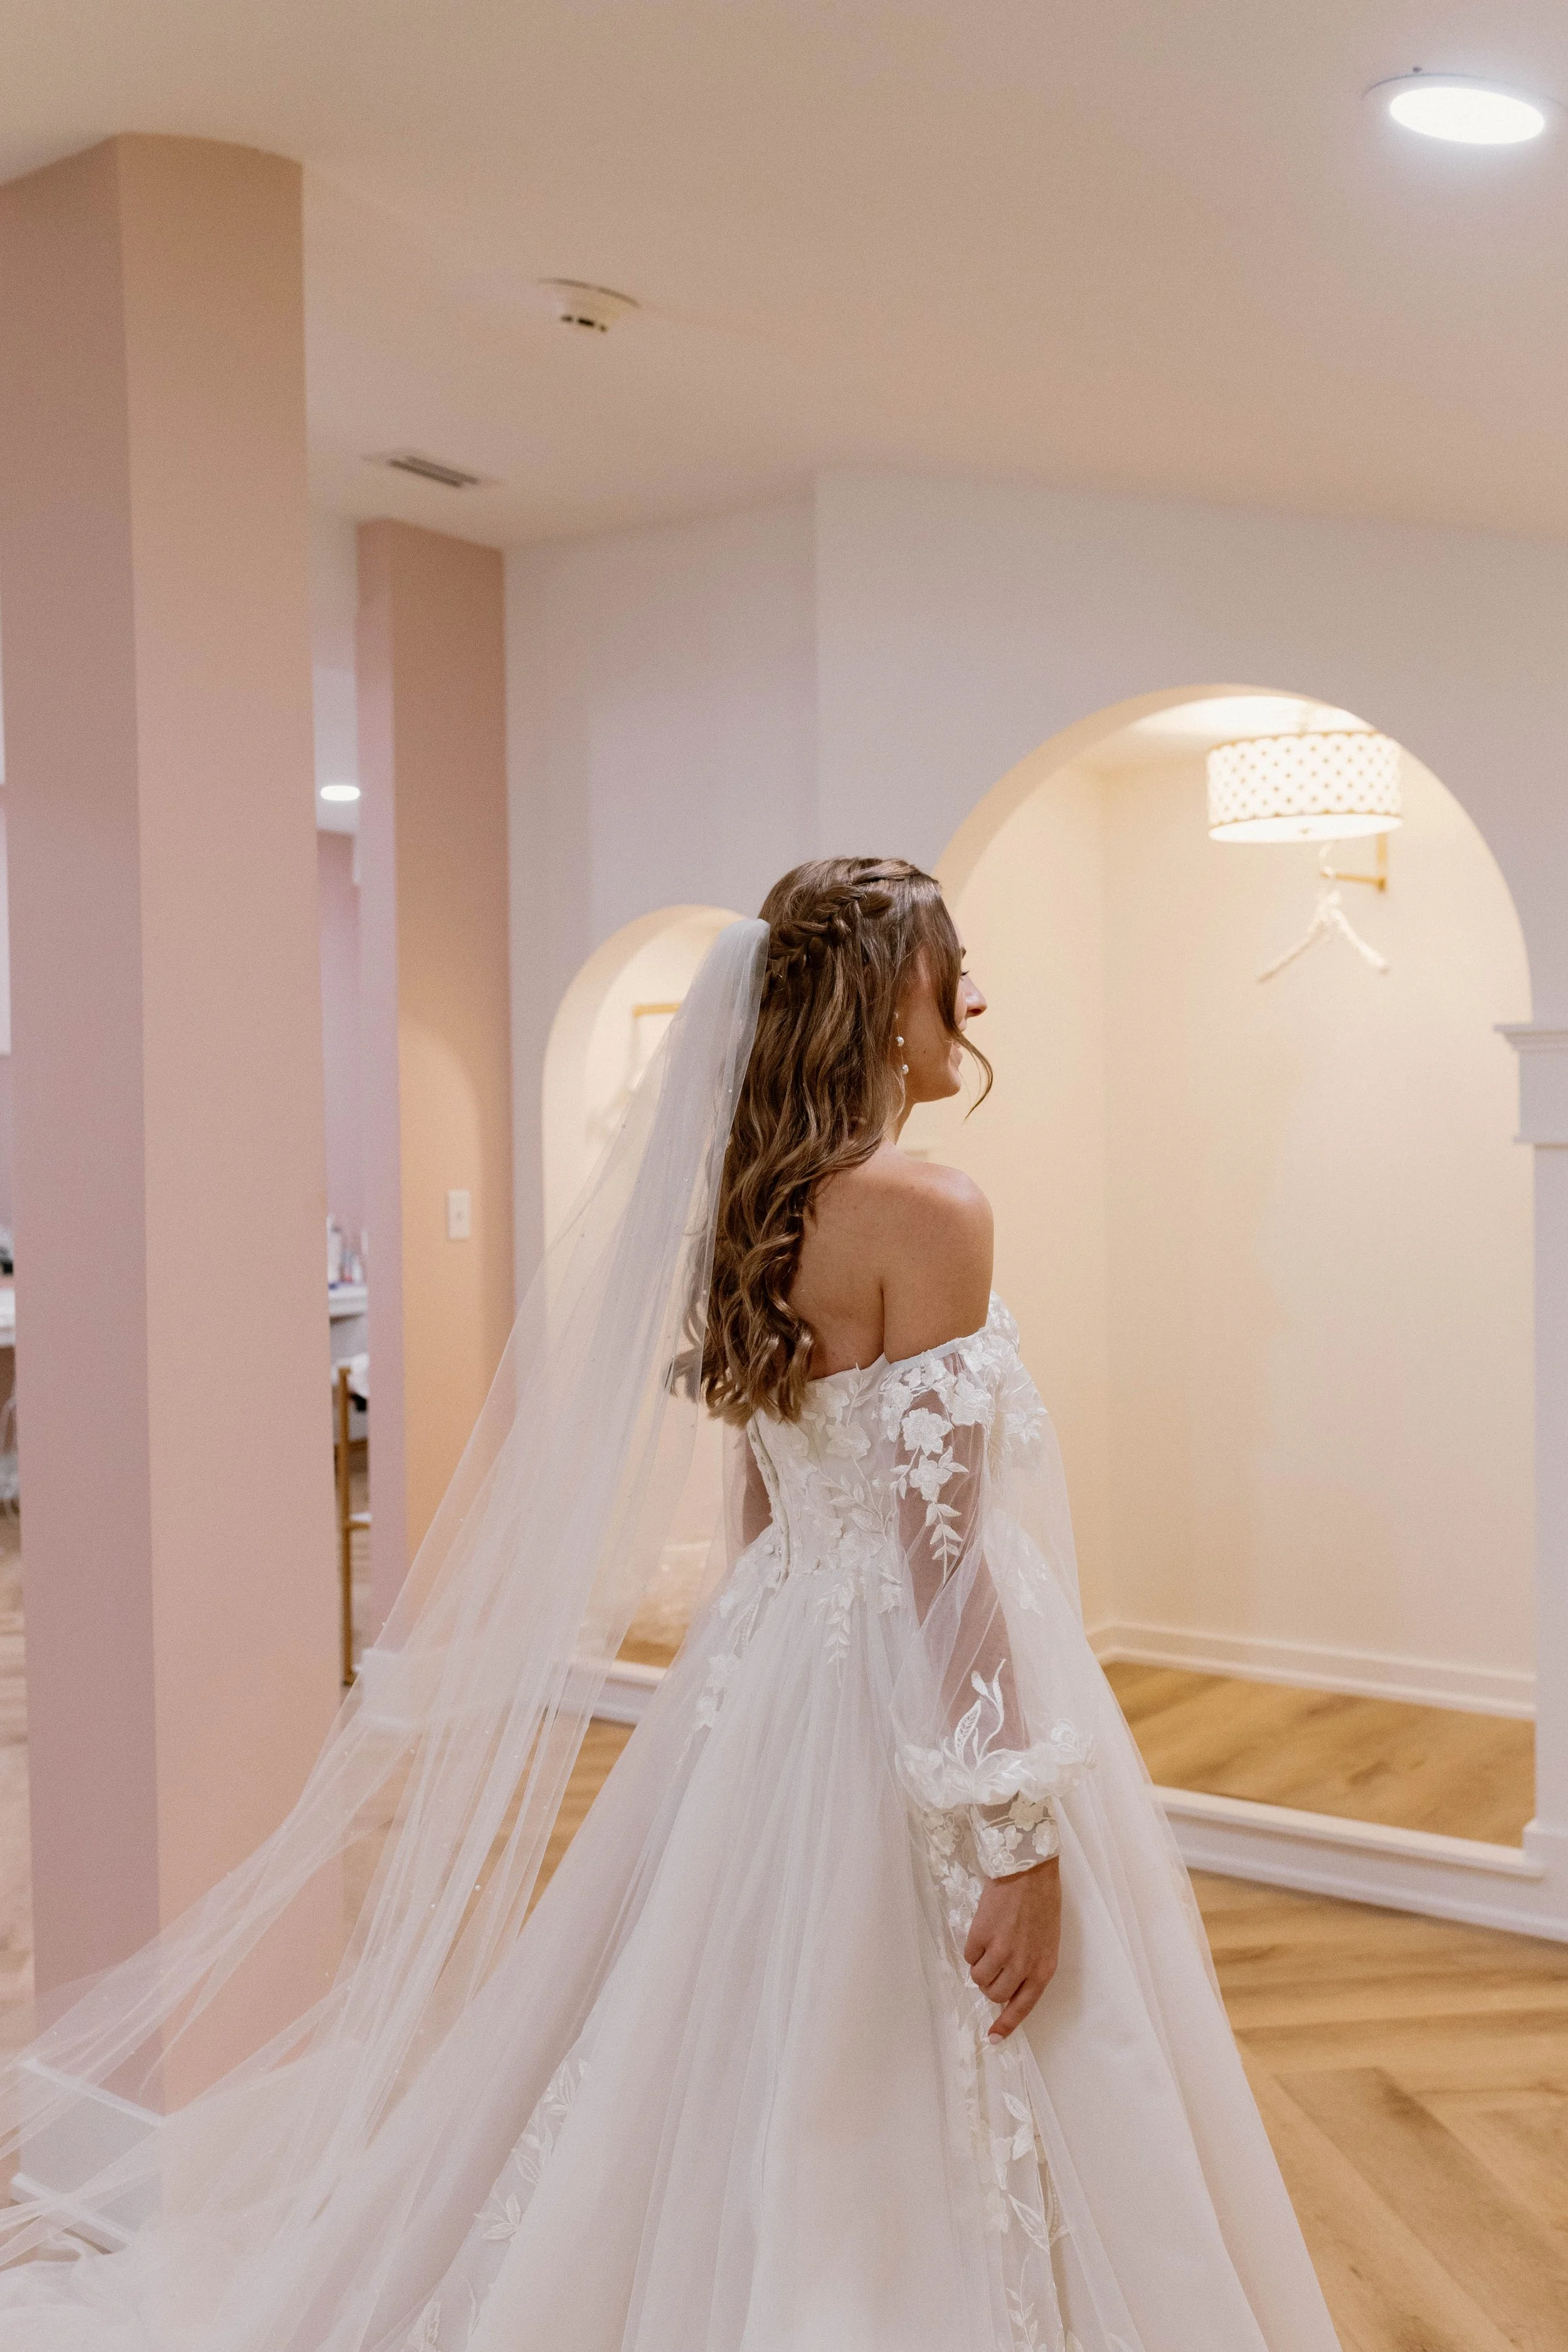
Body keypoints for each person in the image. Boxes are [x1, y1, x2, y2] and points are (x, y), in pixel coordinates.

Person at [0, 858, 1342, 2350]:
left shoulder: (748, 1202)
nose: (969, 999)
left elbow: (767, 1495)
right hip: (912, 1679)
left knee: (729, 2037)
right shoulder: (930, 1210)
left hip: (773, 1663)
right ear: (877, 1001)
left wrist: (746, 1679)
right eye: (946, 969)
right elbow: (940, 1553)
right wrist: (1012, 1836)